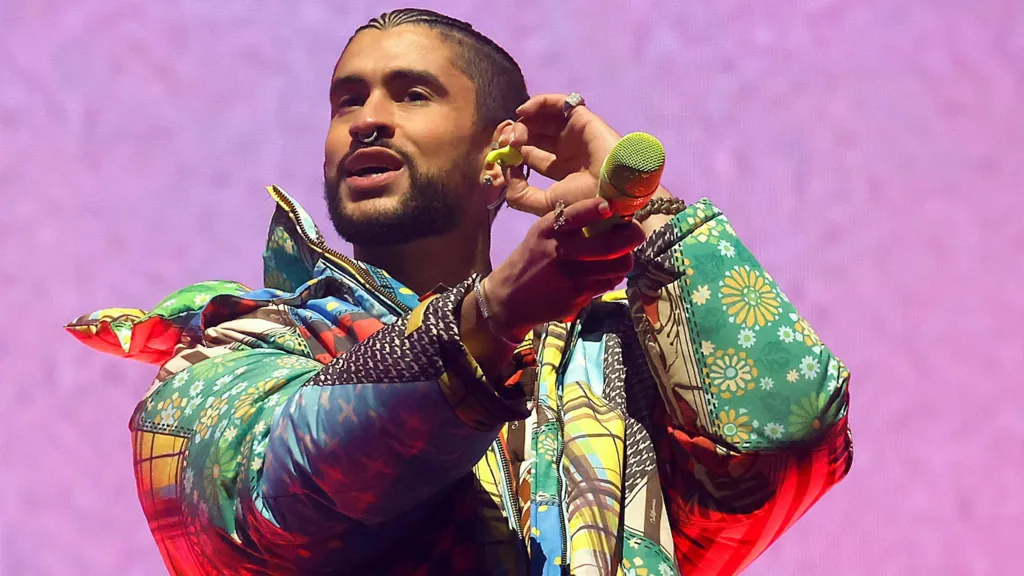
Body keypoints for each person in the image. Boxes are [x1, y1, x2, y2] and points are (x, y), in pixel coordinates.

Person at [66, 8, 853, 576]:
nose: (367, 120)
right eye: (348, 100)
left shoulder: (612, 366)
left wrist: (647, 217)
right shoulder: (240, 350)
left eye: (412, 94)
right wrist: (486, 321)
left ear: (502, 155)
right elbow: (266, 503)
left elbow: (783, 445)